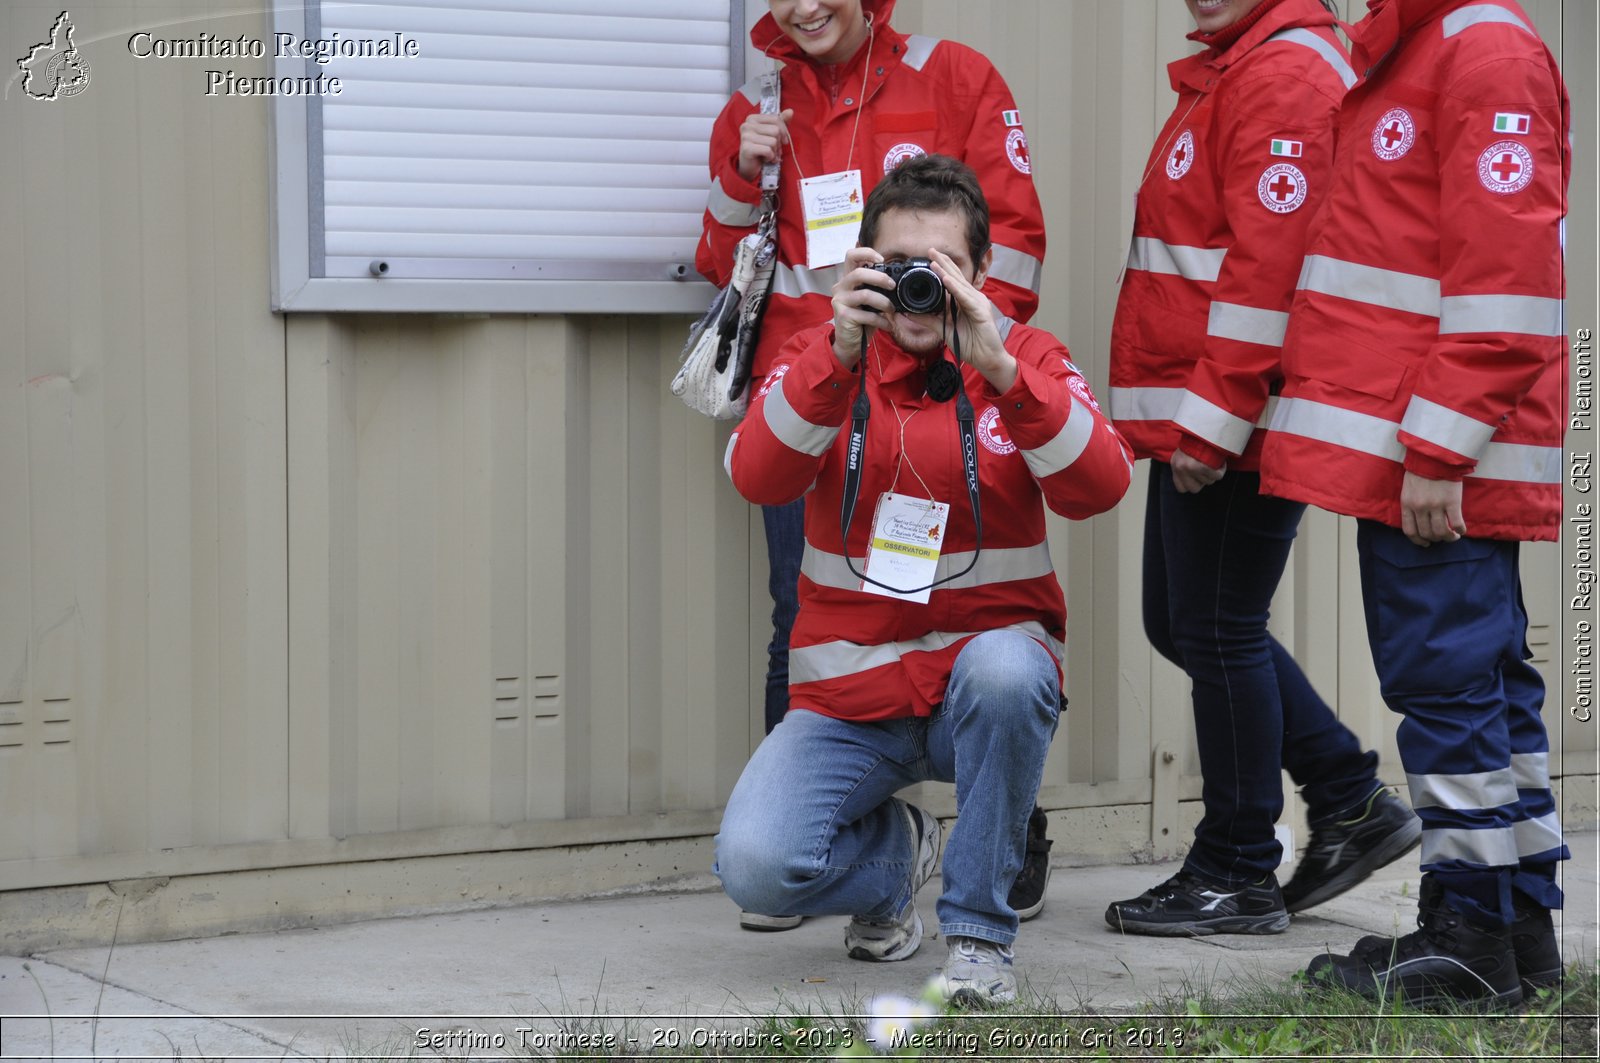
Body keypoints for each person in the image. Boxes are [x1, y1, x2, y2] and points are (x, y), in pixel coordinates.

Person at [713, 154, 1131, 1006]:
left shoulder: (1027, 358)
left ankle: (978, 937)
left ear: (980, 274)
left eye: (940, 270)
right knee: (756, 867)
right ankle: (898, 862)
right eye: (901, 266)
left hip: (979, 691)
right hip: (850, 702)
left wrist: (1007, 371)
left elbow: (1105, 485)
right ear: (863, 265)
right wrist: (833, 356)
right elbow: (755, 476)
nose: (919, 289)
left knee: (1011, 669)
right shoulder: (822, 358)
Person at [695, 0, 1055, 932]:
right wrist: (744, 172)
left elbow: (1012, 239)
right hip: (816, 395)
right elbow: (721, 260)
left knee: (989, 617)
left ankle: (1008, 830)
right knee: (807, 608)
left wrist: (962, 361)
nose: (805, 6)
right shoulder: (757, 105)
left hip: (946, 388)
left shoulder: (957, 76)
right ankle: (830, 840)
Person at [1257, 0, 1570, 1008]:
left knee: (1448, 690)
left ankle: (1469, 936)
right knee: (1481, 689)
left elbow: (1505, 280)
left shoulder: (1478, 47)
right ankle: (1514, 928)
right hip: (1418, 446)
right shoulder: (1414, 47)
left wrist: (1440, 442)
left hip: (1435, 457)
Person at [1103, 0, 1421, 938]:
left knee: (1217, 625)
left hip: (1230, 414)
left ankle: (1236, 866)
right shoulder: (1240, 66)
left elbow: (1270, 267)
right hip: (1201, 405)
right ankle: (1350, 796)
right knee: (1187, 620)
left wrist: (1216, 418)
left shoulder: (1282, 73)